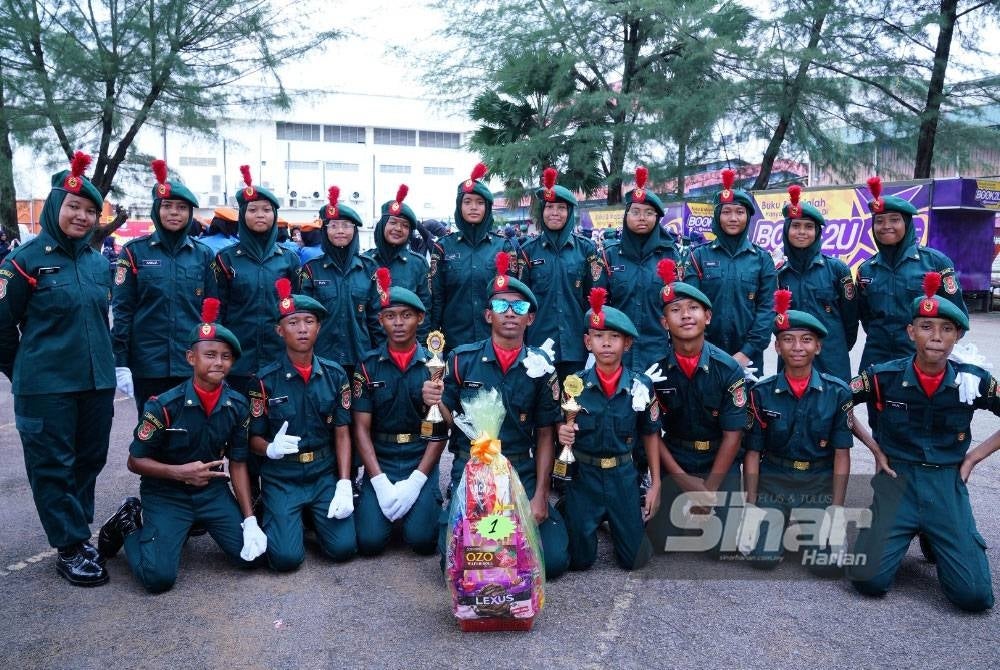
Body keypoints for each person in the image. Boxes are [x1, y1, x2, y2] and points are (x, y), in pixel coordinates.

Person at [847, 272, 997, 612]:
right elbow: (837, 403)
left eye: (946, 329)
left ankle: (933, 532)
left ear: (957, 336)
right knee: (867, 579)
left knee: (974, 597)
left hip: (946, 480)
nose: (936, 337)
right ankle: (903, 531)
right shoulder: (883, 376)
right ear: (911, 332)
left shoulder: (972, 381)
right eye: (926, 327)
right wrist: (874, 447)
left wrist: (973, 458)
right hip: (898, 479)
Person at [0, 152, 116, 586]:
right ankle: (69, 545)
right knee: (52, 465)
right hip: (45, 386)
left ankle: (76, 531)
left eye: (90, 210)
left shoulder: (98, 262)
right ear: (55, 206)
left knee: (89, 457)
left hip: (95, 381)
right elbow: (0, 327)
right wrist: (25, 371)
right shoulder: (23, 261)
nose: (82, 217)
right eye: (74, 207)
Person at [97, 298, 265, 592]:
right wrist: (181, 473)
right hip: (167, 493)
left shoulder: (238, 406)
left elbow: (238, 463)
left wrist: (249, 519)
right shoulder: (164, 406)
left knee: (250, 556)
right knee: (158, 578)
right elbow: (135, 461)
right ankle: (128, 524)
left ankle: (198, 525)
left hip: (211, 493)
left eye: (226, 357)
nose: (218, 362)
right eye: (210, 354)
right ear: (191, 358)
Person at [439, 253, 570, 578]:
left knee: (552, 562)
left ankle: (535, 517)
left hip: (518, 467)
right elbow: (447, 420)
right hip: (471, 467)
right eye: (501, 307)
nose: (510, 313)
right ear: (487, 315)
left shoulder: (540, 367)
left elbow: (544, 435)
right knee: (456, 563)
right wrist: (435, 400)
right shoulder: (461, 360)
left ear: (530, 319)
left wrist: (541, 495)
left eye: (519, 308)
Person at [244, 279, 357, 570]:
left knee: (344, 548)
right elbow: (253, 439)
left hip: (322, 475)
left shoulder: (335, 375)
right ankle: (284, 515)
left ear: (319, 328)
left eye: (309, 321)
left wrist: (344, 483)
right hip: (283, 477)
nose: (303, 328)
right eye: (293, 322)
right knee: (285, 559)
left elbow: (342, 433)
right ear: (280, 331)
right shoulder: (264, 381)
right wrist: (270, 449)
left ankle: (306, 518)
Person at [739, 290, 855, 571]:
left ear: (818, 347)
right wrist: (751, 507)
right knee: (762, 559)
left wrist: (837, 511)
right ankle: (777, 526)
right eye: (787, 340)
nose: (797, 347)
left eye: (806, 340)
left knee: (825, 565)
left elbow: (842, 455)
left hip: (817, 483)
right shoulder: (761, 393)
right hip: (774, 482)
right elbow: (752, 453)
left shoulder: (838, 392)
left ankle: (809, 525)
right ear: (777, 348)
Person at [647, 259, 747, 556]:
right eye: (675, 310)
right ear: (665, 323)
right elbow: (651, 431)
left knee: (721, 546)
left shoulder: (728, 369)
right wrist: (682, 479)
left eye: (693, 308)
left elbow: (733, 435)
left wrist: (708, 489)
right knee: (660, 541)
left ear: (707, 316)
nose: (685, 316)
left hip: (719, 459)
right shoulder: (655, 372)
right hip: (676, 456)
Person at [557, 288, 661, 571]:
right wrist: (562, 433)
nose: (606, 343)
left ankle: (618, 524)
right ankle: (572, 510)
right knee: (579, 561)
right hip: (584, 476)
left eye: (614, 337)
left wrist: (656, 483)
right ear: (587, 342)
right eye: (599, 337)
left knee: (635, 560)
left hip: (623, 477)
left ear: (627, 344)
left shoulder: (640, 386)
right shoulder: (573, 384)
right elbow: (561, 425)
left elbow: (651, 434)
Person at [112, 159, 218, 412]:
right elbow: (123, 310)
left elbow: (214, 311)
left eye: (181, 208)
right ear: (156, 210)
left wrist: (213, 357)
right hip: (148, 365)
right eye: (167, 206)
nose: (174, 213)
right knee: (150, 438)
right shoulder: (133, 252)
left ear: (190, 213)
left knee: (189, 438)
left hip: (191, 363)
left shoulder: (203, 255)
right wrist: (120, 362)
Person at [351, 269, 444, 556]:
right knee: (369, 543)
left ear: (420, 318)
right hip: (382, 457)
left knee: (422, 541)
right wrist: (378, 480)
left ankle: (426, 497)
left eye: (406, 315)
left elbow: (442, 431)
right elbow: (361, 429)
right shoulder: (367, 366)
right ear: (380, 321)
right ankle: (372, 497)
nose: (399, 323)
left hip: (420, 455)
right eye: (391, 316)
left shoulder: (435, 364)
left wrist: (417, 480)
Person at [857, 176, 967, 374]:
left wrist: (937, 349)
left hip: (920, 359)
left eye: (894, 220)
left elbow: (958, 316)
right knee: (877, 403)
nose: (886, 226)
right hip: (877, 357)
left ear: (907, 224)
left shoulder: (935, 262)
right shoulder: (866, 269)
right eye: (879, 221)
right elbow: (866, 318)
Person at [213, 165, 300, 396]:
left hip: (280, 360)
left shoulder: (289, 260)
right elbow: (218, 311)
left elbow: (298, 310)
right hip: (237, 362)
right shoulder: (225, 259)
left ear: (275, 216)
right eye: (252, 210)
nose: (260, 215)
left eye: (266, 210)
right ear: (242, 215)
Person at [684, 168, 777, 377]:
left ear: (747, 217)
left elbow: (767, 310)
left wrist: (747, 352)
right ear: (717, 216)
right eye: (726, 212)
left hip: (748, 358)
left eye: (740, 212)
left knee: (747, 408)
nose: (733, 218)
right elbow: (689, 306)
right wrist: (703, 348)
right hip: (704, 353)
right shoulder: (698, 256)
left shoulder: (762, 259)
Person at [520, 168, 608, 382]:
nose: (554, 213)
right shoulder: (528, 251)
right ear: (542, 211)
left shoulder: (586, 250)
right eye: (549, 207)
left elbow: (596, 300)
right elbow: (521, 302)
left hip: (575, 346)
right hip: (538, 346)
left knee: (574, 407)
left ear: (569, 213)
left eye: (561, 208)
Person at [430, 163, 518, 352]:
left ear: (487, 207)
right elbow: (436, 299)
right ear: (459, 206)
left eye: (479, 203)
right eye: (467, 202)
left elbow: (514, 297)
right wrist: (431, 344)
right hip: (454, 344)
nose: (473, 207)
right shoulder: (443, 247)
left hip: (496, 343)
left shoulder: (503, 246)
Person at [602, 166, 681, 372]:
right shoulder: (609, 255)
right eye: (635, 212)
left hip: (659, 352)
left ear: (657, 218)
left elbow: (679, 304)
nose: (642, 218)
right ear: (626, 216)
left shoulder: (670, 256)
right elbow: (600, 306)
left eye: (649, 213)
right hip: (618, 352)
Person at [775, 185, 858, 381]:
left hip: (832, 357)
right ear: (787, 230)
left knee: (836, 408)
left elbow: (851, 318)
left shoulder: (838, 270)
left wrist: (836, 346)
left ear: (818, 232)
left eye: (809, 227)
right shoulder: (777, 273)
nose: (802, 232)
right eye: (795, 226)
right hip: (791, 357)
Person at [300, 186, 378, 377]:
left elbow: (377, 317)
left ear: (355, 230)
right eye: (333, 226)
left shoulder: (369, 269)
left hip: (362, 359)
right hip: (322, 360)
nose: (340, 231)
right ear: (325, 231)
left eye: (346, 225)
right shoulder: (311, 269)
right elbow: (304, 317)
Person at [363, 184, 431, 346]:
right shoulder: (365, 262)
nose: (398, 229)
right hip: (370, 350)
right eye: (393, 222)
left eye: (405, 225)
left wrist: (418, 349)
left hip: (407, 350)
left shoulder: (418, 264)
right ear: (382, 225)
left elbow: (425, 310)